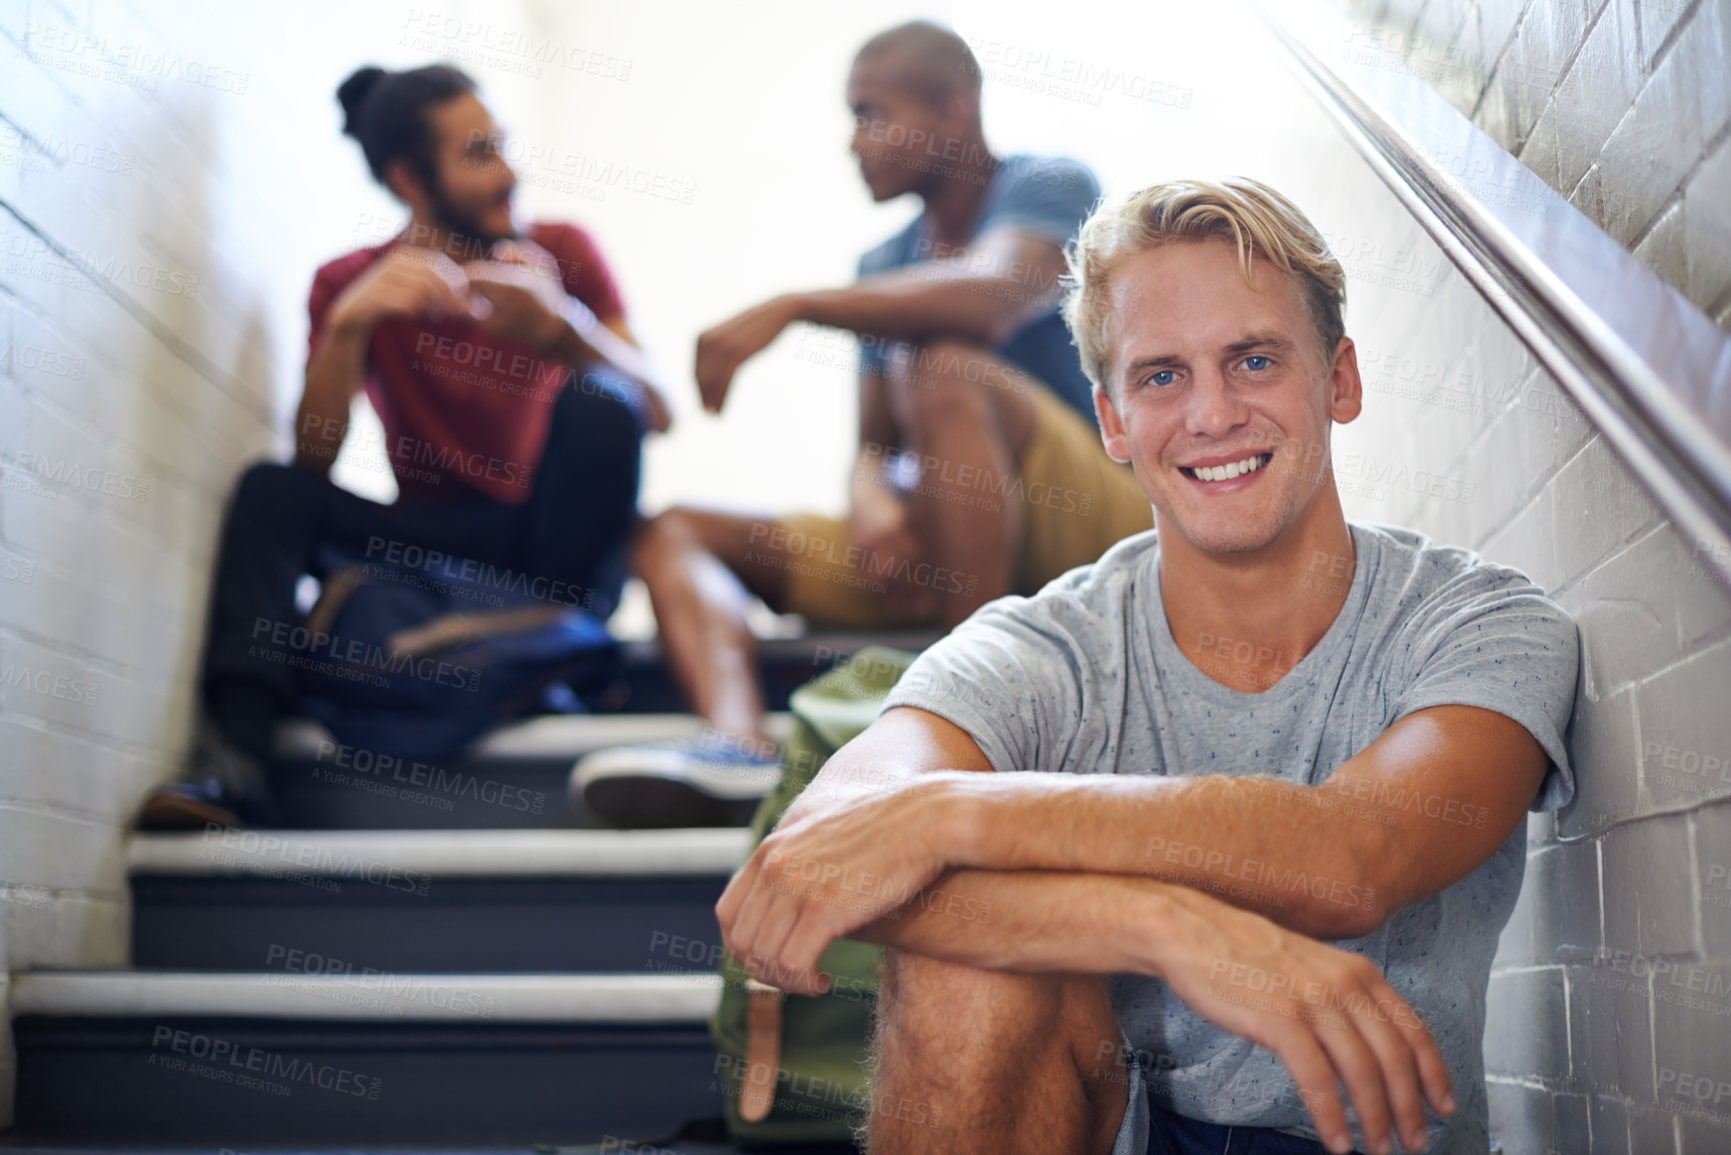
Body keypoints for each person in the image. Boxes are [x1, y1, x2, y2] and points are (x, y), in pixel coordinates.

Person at [714, 178, 1580, 1155]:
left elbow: (1353, 859)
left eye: (1253, 360)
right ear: (1114, 421)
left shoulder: (1478, 623)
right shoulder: (1047, 647)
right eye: (1162, 376)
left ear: (1339, 379)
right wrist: (1161, 926)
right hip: (1114, 1125)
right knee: (976, 970)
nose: (1211, 414)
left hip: (1370, 1142)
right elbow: (819, 849)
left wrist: (948, 815)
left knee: (973, 912)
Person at [572, 22, 1154, 824]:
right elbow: (874, 446)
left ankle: (970, 718)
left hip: (1093, 525)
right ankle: (737, 742)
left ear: (953, 110)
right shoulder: (881, 264)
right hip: (948, 538)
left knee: (944, 361)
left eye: (871, 113)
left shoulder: (1048, 183)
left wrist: (793, 306)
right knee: (675, 529)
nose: (855, 142)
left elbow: (986, 299)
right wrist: (874, 502)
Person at [146, 63, 670, 828]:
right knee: (272, 488)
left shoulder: (562, 252)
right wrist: (351, 327)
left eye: (502, 147)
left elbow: (656, 410)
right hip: (433, 543)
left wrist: (566, 332)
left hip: (547, 544)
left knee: (601, 400)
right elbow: (315, 460)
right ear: (410, 178)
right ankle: (235, 755)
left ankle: (562, 644)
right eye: (480, 153)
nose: (507, 173)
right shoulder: (350, 282)